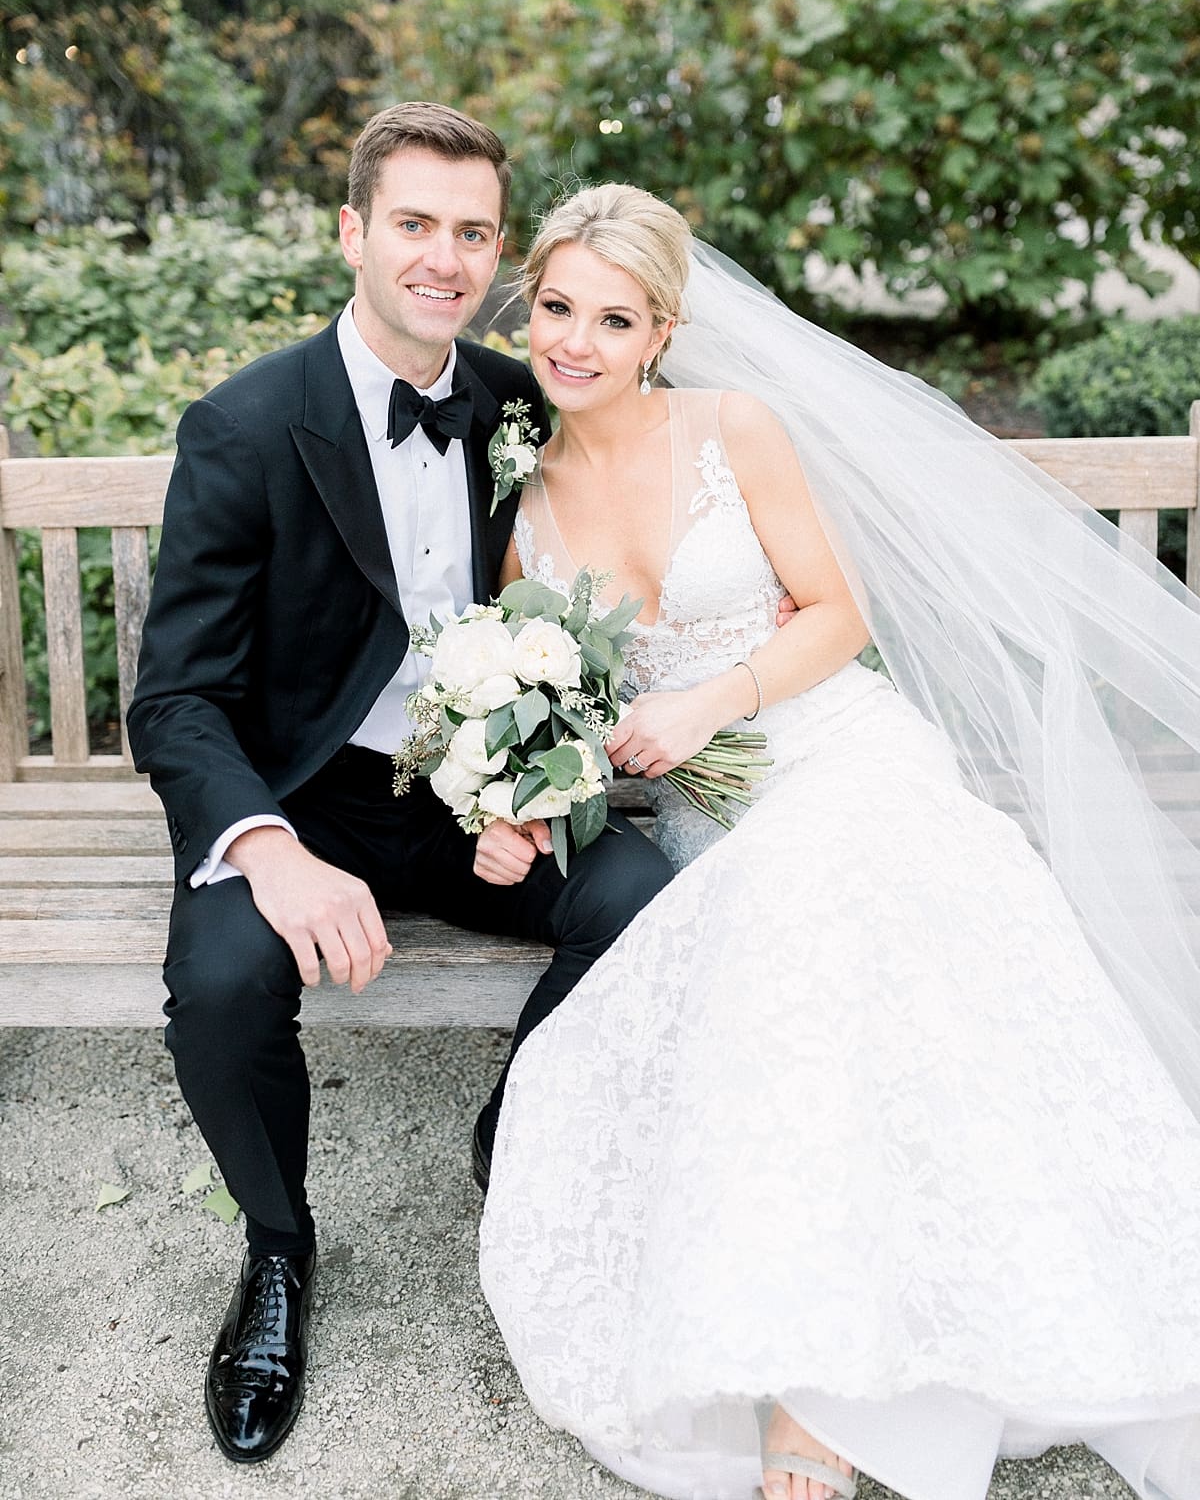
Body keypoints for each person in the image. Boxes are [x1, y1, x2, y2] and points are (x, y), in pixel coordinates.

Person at [475, 183, 1200, 1500]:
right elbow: (553, 694)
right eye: (559, 308)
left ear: (662, 331)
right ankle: (843, 1329)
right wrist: (520, 802)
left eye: (612, 318)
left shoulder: (731, 429)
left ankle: (817, 1399)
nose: (575, 341)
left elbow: (838, 615)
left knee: (853, 902)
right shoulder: (524, 493)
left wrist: (705, 699)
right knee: (804, 949)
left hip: (836, 748)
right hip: (714, 812)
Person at [126, 108, 675, 1465]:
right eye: (415, 224)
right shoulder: (248, 426)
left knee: (642, 897)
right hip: (303, 800)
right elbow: (177, 696)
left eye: (472, 231)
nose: (444, 257)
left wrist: (538, 783)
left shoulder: (521, 398)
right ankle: (275, 1248)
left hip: (476, 798)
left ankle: (515, 1145)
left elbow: (597, 594)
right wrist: (265, 845)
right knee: (223, 983)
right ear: (354, 233)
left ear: (497, 249)